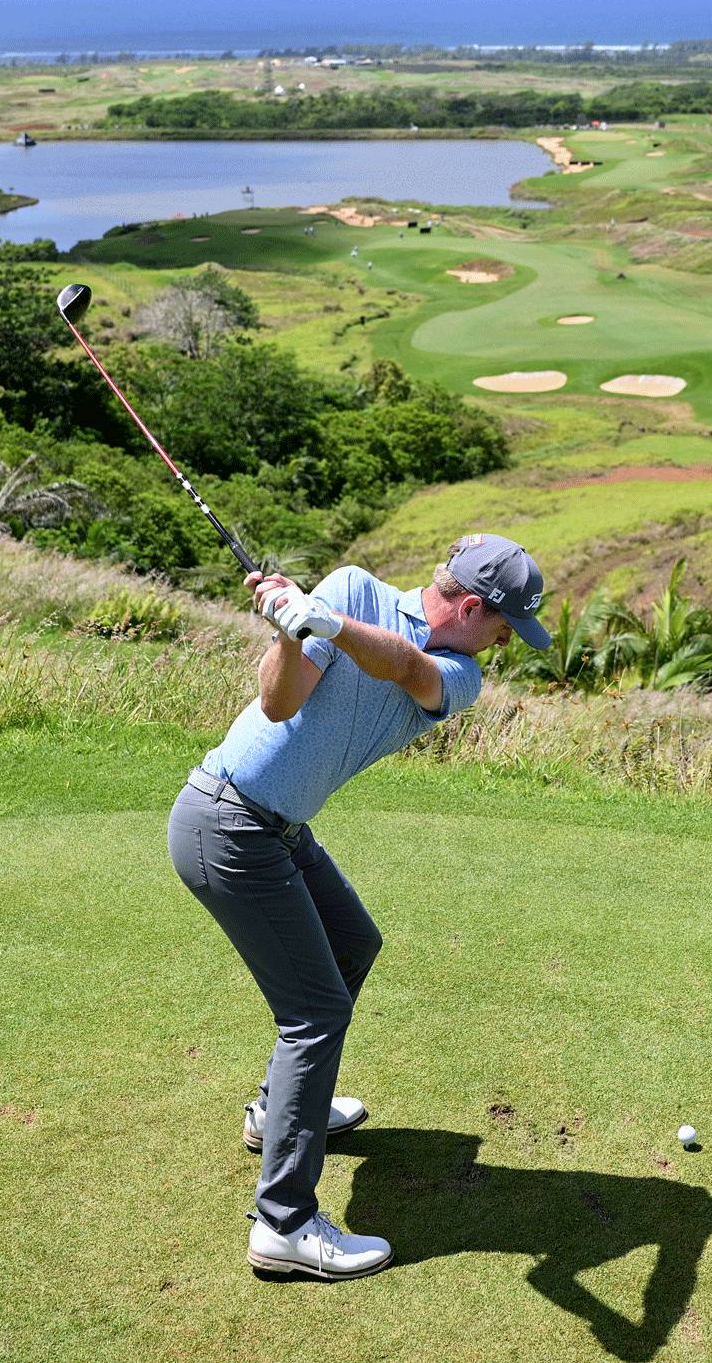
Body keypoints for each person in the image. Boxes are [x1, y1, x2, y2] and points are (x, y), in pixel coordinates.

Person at [168, 534, 552, 1280]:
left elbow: (405, 667)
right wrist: (290, 630)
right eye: (507, 626)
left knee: (353, 943)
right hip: (227, 822)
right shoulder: (351, 588)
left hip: (280, 828)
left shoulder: (460, 673)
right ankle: (283, 1225)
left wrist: (325, 623)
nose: (508, 643)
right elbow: (277, 704)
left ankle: (275, 1113)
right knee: (315, 1015)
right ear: (474, 606)